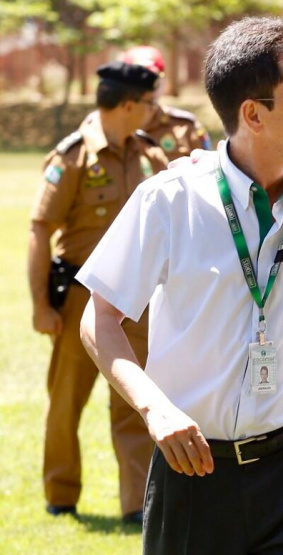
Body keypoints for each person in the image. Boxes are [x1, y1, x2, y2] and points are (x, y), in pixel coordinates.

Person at [76, 17, 283, 555]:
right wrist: (156, 410)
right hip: (193, 470)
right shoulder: (169, 200)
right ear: (252, 114)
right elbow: (99, 317)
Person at [27, 61, 168, 523]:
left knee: (133, 400)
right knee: (67, 400)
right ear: (128, 105)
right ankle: (61, 494)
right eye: (148, 104)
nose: (154, 111)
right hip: (79, 298)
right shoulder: (72, 158)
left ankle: (135, 505)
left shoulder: (150, 154)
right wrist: (40, 305)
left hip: (138, 300)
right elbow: (39, 230)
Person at [121, 46, 212, 160]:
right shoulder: (104, 128)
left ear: (162, 82)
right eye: (136, 81)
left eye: (151, 80)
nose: (145, 88)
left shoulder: (186, 127)